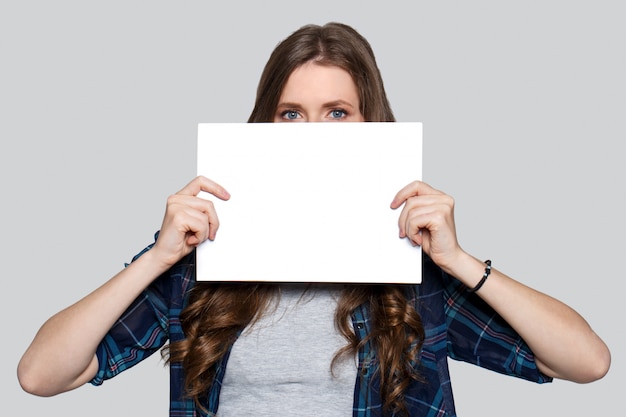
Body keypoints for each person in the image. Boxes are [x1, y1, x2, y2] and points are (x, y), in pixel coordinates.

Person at [17, 22, 610, 417]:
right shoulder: (204, 259)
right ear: (265, 127)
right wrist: (159, 256)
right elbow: (42, 375)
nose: (314, 133)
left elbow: (586, 362)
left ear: (370, 125)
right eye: (292, 114)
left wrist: (457, 259)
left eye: (338, 112)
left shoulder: (415, 269)